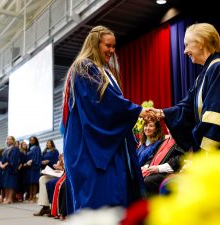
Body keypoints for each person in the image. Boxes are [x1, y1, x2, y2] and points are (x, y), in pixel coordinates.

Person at [61, 25, 152, 212]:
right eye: (108, 46)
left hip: (103, 145)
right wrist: (136, 110)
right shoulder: (84, 67)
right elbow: (102, 104)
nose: (112, 50)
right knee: (97, 201)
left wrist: (132, 110)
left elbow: (113, 102)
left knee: (113, 199)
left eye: (114, 46)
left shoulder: (103, 70)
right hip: (89, 146)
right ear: (95, 44)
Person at [147, 23, 220, 152]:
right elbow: (187, 107)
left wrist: (205, 152)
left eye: (187, 45)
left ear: (201, 42)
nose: (184, 51)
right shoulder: (204, 75)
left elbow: (218, 116)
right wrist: (160, 113)